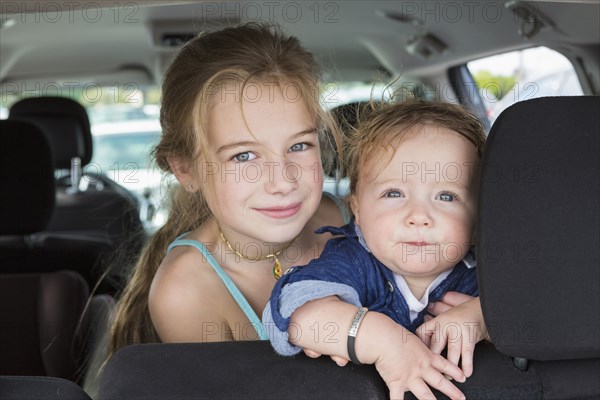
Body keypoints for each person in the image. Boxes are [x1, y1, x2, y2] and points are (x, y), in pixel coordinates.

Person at [105, 22, 347, 358]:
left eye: (299, 145)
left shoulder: (367, 216)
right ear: (186, 170)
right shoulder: (186, 292)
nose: (282, 181)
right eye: (243, 156)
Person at [263, 101, 488, 399]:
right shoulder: (354, 261)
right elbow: (292, 313)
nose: (419, 215)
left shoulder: (488, 276)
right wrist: (382, 339)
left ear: (479, 216)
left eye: (446, 196)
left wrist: (485, 317)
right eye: (393, 193)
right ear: (356, 207)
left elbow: (546, 311)